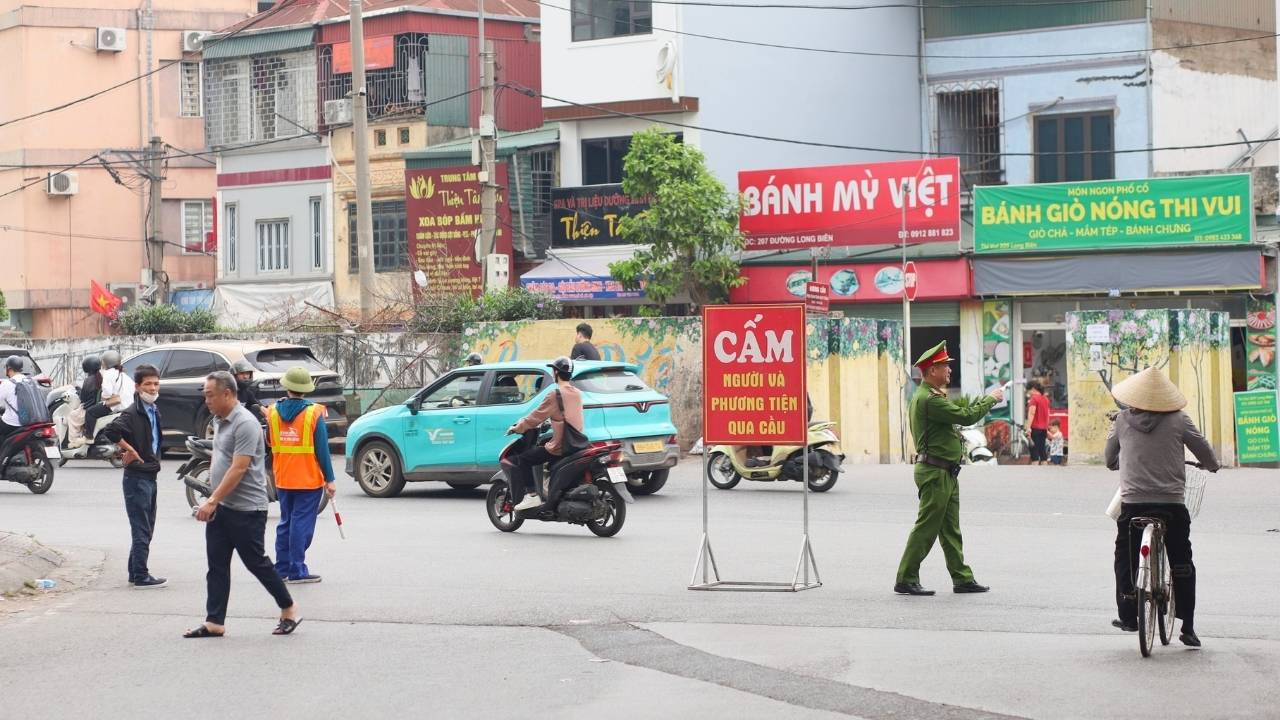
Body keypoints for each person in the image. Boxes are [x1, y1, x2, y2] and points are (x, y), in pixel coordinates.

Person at [1105, 367, 1218, 648]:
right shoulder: (1179, 419)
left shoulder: (1121, 420)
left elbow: (1109, 459)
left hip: (1133, 504)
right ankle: (1188, 627)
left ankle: (1129, 616)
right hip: (1170, 504)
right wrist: (1212, 465)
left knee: (1124, 556)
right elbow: (1202, 449)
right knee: (1181, 560)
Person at [186, 371, 300, 638]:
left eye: (210, 395)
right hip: (223, 507)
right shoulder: (220, 420)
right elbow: (220, 459)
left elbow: (239, 468)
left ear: (227, 393)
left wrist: (211, 500)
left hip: (247, 509)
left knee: (256, 563)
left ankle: (289, 608)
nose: (207, 401)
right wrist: (214, 495)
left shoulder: (245, 423)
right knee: (216, 564)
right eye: (205, 395)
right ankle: (214, 621)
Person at [895, 341, 1004, 596]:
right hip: (935, 472)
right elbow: (966, 416)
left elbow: (959, 415)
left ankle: (962, 578)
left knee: (950, 529)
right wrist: (990, 399)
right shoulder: (930, 400)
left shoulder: (930, 396)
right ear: (932, 370)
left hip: (945, 472)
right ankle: (906, 578)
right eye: (945, 367)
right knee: (926, 527)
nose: (949, 371)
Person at [98, 364, 167, 589]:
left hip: (150, 474)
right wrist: (129, 449)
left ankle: (134, 571)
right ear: (137, 387)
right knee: (142, 528)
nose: (153, 388)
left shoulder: (154, 410)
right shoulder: (131, 413)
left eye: (156, 383)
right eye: (148, 384)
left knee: (147, 527)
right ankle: (141, 575)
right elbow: (110, 431)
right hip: (137, 478)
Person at [267, 367, 336, 584]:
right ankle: (297, 570)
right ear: (306, 390)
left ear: (286, 387)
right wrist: (330, 479)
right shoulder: (313, 413)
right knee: (301, 524)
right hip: (307, 479)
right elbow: (322, 449)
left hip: (283, 478)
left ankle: (282, 568)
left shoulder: (272, 411)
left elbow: (270, 442)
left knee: (286, 522)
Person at [505, 357, 587, 512]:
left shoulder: (555, 395)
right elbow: (565, 416)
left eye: (553, 370)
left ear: (556, 372)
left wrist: (518, 427)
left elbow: (535, 417)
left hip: (561, 446)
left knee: (524, 460)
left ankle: (532, 496)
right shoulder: (577, 393)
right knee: (545, 451)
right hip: (576, 443)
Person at [86, 349, 133, 442]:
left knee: (89, 412)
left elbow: (107, 393)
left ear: (107, 362)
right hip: (128, 405)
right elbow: (133, 389)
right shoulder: (123, 374)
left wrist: (103, 397)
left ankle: (89, 437)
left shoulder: (108, 374)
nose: (102, 364)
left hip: (115, 405)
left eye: (103, 361)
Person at [0, 356, 27, 444]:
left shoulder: (8, 383)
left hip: (13, 423)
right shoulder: (30, 381)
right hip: (31, 421)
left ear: (9, 369)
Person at [232, 359, 266, 423]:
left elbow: (257, 404)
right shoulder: (228, 392)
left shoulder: (246, 392)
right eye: (242, 373)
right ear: (234, 375)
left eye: (247, 374)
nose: (245, 377)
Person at [1025, 381, 1050, 465]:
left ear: (1033, 389)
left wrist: (1028, 427)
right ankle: (1044, 473)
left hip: (1035, 428)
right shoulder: (1045, 399)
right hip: (1043, 429)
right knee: (1042, 451)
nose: (1029, 393)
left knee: (1034, 452)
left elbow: (1032, 413)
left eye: (1029, 391)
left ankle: (1035, 474)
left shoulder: (1034, 399)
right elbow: (1047, 414)